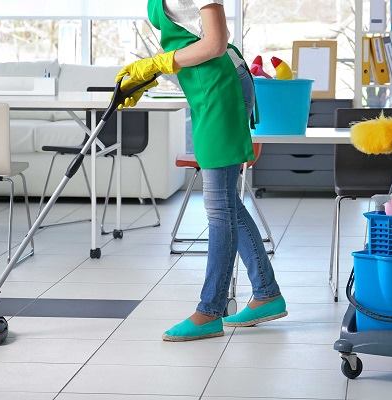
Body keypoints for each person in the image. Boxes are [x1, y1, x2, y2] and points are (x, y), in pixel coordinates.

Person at [117, 0, 286, 341]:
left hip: (221, 86)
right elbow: (188, 38)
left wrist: (159, 63)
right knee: (224, 201)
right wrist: (150, 73)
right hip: (204, 86)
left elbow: (215, 42)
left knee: (219, 207)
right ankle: (266, 293)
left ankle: (210, 310)